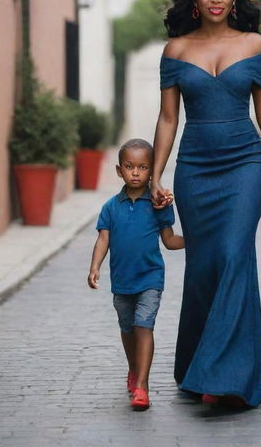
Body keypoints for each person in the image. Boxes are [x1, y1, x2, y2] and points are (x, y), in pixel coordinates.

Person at [151, 0, 261, 407]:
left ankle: (224, 374)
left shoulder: (254, 44)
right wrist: (155, 175)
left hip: (244, 165)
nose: (216, 0)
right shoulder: (175, 51)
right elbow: (167, 118)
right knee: (203, 266)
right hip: (195, 167)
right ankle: (199, 367)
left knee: (235, 254)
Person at [88, 138, 185, 411]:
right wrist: (95, 266)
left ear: (151, 171)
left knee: (144, 326)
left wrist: (197, 239)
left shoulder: (159, 204)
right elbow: (103, 240)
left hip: (150, 278)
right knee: (128, 329)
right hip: (121, 281)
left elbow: (169, 240)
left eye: (143, 167)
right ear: (119, 170)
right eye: (129, 167)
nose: (135, 172)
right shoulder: (110, 207)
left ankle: (142, 385)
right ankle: (133, 370)